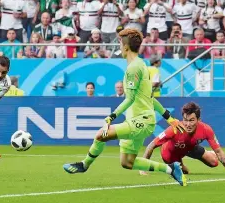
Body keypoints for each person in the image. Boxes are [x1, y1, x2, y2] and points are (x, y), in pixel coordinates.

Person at [63, 28, 187, 187]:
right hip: (140, 120)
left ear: (126, 47)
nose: (119, 47)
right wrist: (169, 118)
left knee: (102, 134)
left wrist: (111, 117)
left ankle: (84, 164)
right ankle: (171, 169)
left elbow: (130, 99)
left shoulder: (134, 68)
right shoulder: (140, 65)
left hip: (141, 121)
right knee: (127, 162)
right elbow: (149, 98)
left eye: (120, 43)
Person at [140, 102, 225, 176]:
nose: (188, 124)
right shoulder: (174, 129)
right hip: (170, 153)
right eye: (185, 120)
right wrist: (143, 168)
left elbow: (218, 151)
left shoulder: (206, 129)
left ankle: (208, 153)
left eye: (191, 120)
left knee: (214, 162)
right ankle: (180, 165)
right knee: (185, 172)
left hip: (190, 148)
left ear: (199, 120)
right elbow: (151, 145)